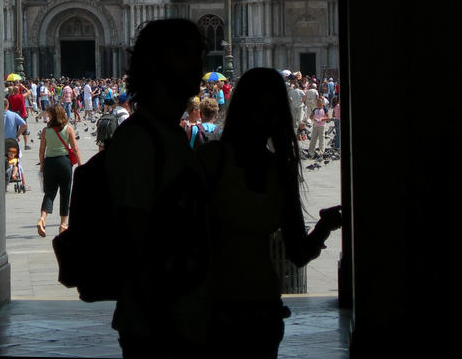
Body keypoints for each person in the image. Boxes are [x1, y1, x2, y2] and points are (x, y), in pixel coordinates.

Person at [196, 67, 342, 359]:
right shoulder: (270, 168)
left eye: (270, 109)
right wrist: (325, 226)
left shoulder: (215, 160)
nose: (265, 117)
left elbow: (298, 252)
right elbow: (300, 253)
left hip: (238, 306)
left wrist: (325, 226)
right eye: (261, 109)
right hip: (237, 306)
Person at [104, 18, 210, 358]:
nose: (199, 67)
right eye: (187, 55)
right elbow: (136, 241)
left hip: (185, 316)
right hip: (160, 327)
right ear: (157, 63)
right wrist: (168, 321)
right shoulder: (138, 140)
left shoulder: (173, 135)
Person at [37, 104, 82, 237]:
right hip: (64, 162)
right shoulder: (68, 129)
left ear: (52, 115)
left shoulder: (46, 130)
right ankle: (63, 224)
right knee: (65, 191)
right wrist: (80, 165)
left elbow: (41, 151)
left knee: (49, 192)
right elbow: (75, 148)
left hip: (50, 163)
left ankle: (42, 219)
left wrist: (42, 167)